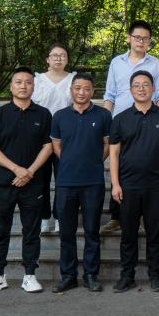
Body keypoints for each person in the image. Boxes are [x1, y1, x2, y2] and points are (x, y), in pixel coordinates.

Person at [0, 67, 53, 294]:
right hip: (3, 182)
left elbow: (48, 146)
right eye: (18, 82)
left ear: (33, 87)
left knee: (31, 231)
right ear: (11, 86)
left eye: (28, 82)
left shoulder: (43, 114)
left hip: (33, 183)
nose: (23, 86)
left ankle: (30, 275)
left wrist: (29, 172)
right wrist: (16, 169)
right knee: (0, 230)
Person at [108, 71, 159, 293]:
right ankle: (127, 276)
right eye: (136, 85)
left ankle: (155, 274)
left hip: (156, 185)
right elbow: (114, 154)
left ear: (153, 88)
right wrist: (115, 184)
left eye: (146, 84)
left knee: (154, 233)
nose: (141, 89)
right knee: (128, 234)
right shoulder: (120, 119)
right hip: (127, 186)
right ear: (130, 90)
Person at [101, 20, 159, 235]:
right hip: (121, 121)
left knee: (144, 161)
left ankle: (143, 215)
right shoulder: (116, 62)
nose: (141, 41)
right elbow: (110, 94)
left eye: (145, 38)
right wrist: (105, 120)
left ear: (149, 41)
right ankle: (117, 216)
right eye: (137, 37)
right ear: (129, 38)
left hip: (148, 119)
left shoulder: (155, 64)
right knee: (120, 164)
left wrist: (158, 118)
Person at [50, 72, 111, 293]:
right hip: (66, 182)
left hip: (93, 182)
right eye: (77, 88)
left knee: (92, 231)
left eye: (86, 88)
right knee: (66, 233)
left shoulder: (104, 115)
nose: (82, 92)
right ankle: (68, 276)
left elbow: (107, 145)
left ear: (92, 91)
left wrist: (94, 161)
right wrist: (69, 161)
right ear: (71, 90)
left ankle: (91, 275)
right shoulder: (60, 116)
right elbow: (56, 145)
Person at [33, 43, 76, 234]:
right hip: (41, 137)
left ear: (67, 59)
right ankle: (43, 218)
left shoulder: (73, 79)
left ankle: (60, 217)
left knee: (63, 179)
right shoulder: (38, 80)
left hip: (66, 136)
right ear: (47, 59)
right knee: (41, 179)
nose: (59, 58)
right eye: (55, 55)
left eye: (63, 55)